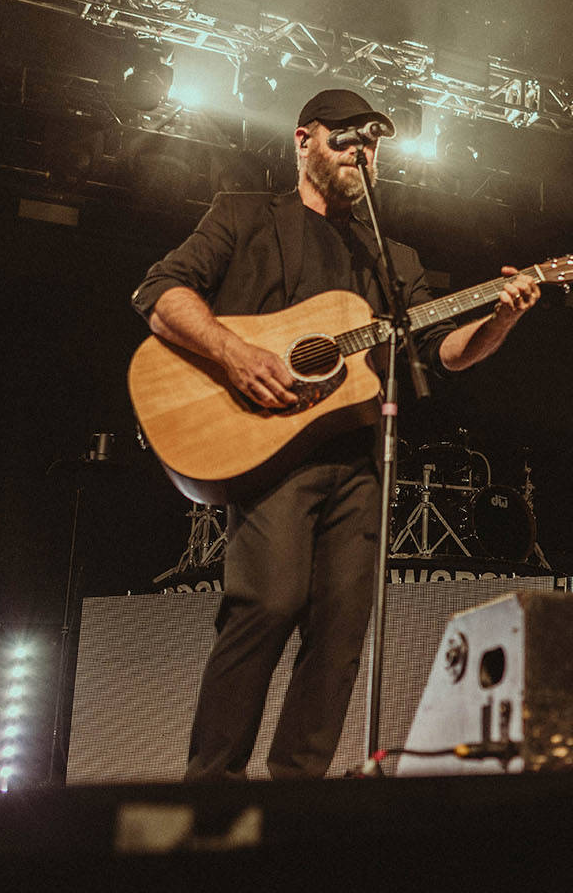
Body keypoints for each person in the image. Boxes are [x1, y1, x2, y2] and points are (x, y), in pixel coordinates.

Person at [131, 88, 540, 780]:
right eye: (345, 138)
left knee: (342, 627)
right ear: (302, 140)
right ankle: (210, 789)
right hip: (266, 449)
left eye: (371, 142)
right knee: (267, 601)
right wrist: (236, 354)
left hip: (358, 460)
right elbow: (160, 293)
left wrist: (500, 319)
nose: (362, 152)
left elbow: (442, 352)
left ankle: (297, 793)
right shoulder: (244, 215)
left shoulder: (392, 259)